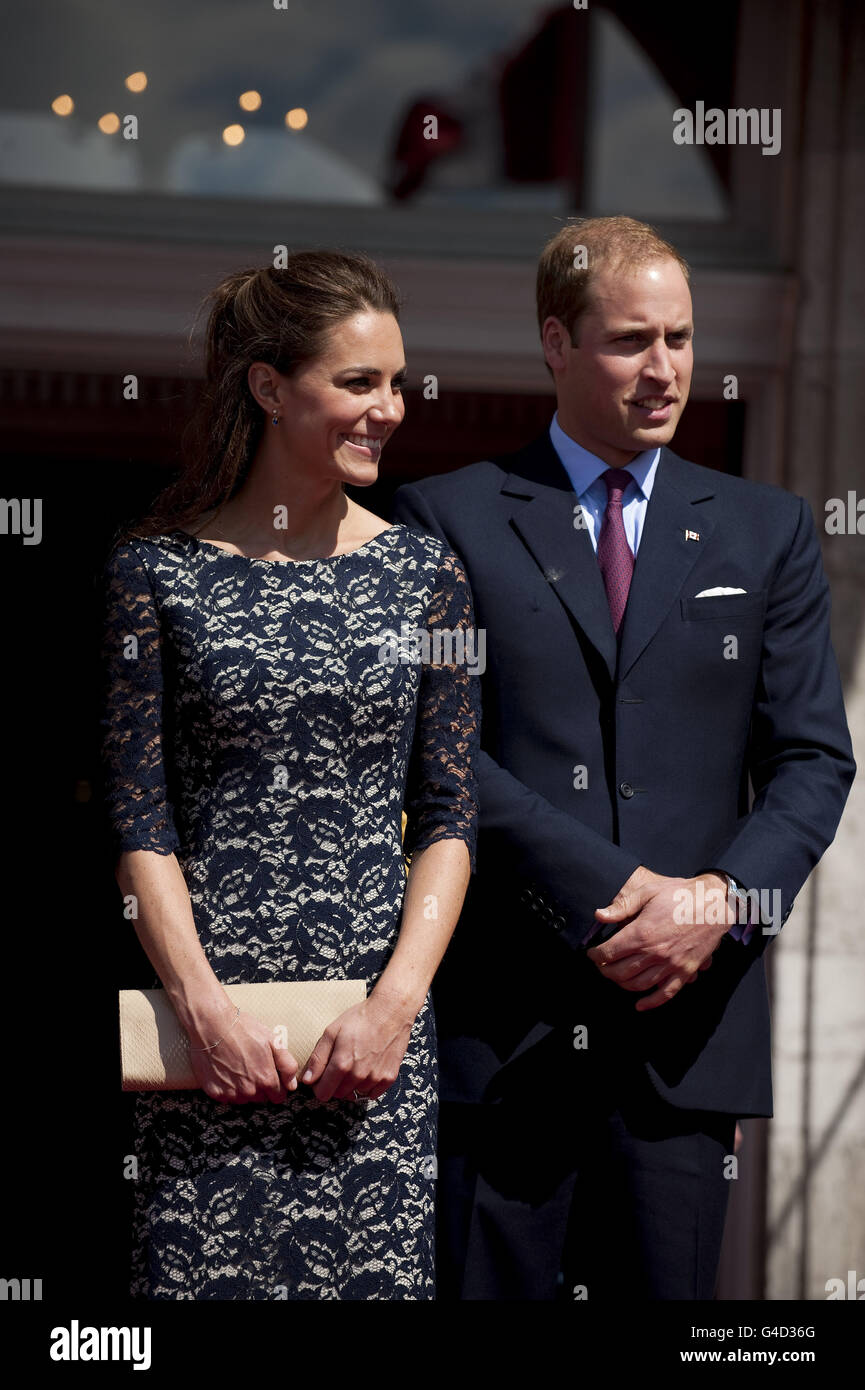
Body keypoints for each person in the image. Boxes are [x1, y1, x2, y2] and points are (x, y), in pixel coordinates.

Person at [391, 215, 855, 1301]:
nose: (665, 371)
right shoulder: (446, 515)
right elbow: (444, 754)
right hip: (502, 1034)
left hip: (684, 1038)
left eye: (681, 339)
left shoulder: (765, 528)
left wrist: (719, 900)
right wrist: (619, 893)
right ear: (556, 342)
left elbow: (811, 761)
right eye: (630, 340)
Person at [98, 252, 480, 1300]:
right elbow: (141, 821)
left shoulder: (427, 576)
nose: (389, 409)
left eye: (396, 382)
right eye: (358, 382)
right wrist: (205, 1009)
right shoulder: (155, 570)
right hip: (207, 1056)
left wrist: (394, 1006)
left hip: (371, 1055)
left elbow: (449, 817)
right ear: (270, 387)